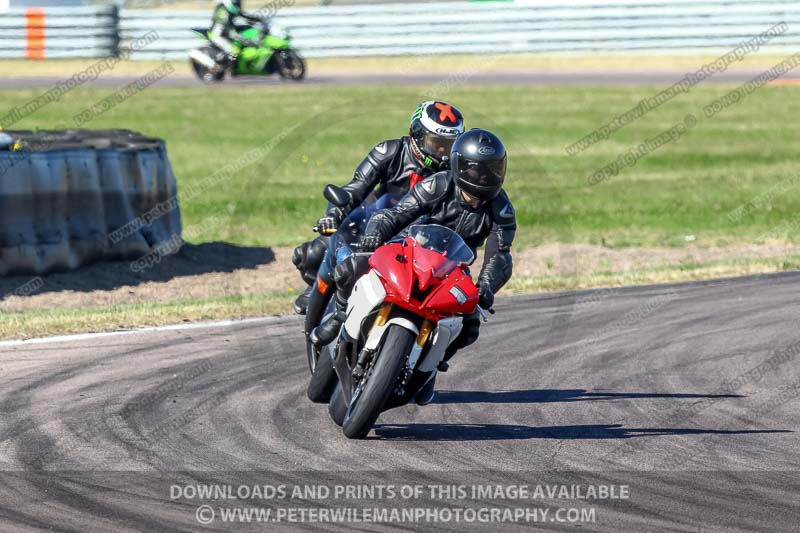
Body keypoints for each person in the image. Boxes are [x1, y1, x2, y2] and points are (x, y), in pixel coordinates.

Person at [310, 128, 516, 405]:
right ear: (458, 166)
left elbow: (499, 254)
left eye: (492, 170)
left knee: (469, 326)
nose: (483, 177)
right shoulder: (439, 184)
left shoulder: (502, 210)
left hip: (450, 272)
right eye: (475, 170)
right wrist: (374, 235)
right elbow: (398, 213)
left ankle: (430, 370)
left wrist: (486, 287)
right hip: (408, 251)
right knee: (350, 267)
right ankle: (340, 317)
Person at [292, 100, 466, 314]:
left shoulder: (456, 174)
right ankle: (323, 288)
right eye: (436, 143)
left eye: (448, 145)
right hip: (370, 221)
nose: (442, 152)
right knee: (311, 254)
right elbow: (355, 189)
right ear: (417, 136)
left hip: (417, 237)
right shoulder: (389, 151)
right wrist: (334, 215)